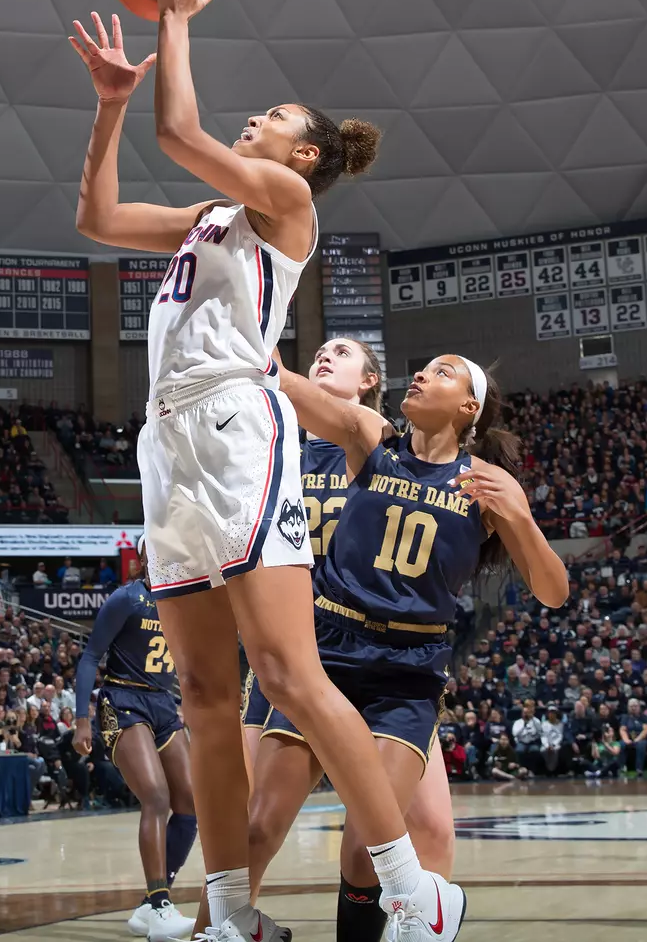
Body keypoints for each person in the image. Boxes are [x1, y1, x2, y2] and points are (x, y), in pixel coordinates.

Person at [68, 0, 456, 942]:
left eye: (275, 116)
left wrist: (175, 19)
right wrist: (109, 104)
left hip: (241, 423)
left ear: (307, 155)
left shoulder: (285, 206)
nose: (256, 118)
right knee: (203, 689)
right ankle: (233, 909)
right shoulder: (208, 217)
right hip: (167, 439)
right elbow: (100, 216)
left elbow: (184, 128)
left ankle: (413, 887)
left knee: (286, 672)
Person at [239, 350, 569, 941]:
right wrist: (250, 343)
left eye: (442, 372)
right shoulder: (371, 435)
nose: (420, 375)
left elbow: (552, 591)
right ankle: (234, 923)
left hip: (406, 674)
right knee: (259, 827)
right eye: (422, 369)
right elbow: (283, 383)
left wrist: (521, 516)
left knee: (364, 850)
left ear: (469, 406)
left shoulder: (485, 486)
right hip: (329, 653)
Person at [73, 539, 198, 941]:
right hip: (123, 700)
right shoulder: (126, 599)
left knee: (191, 805)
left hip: (163, 703)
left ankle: (151, 903)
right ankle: (160, 907)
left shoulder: (181, 601)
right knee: (157, 798)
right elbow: (91, 656)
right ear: (145, 556)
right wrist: (80, 720)